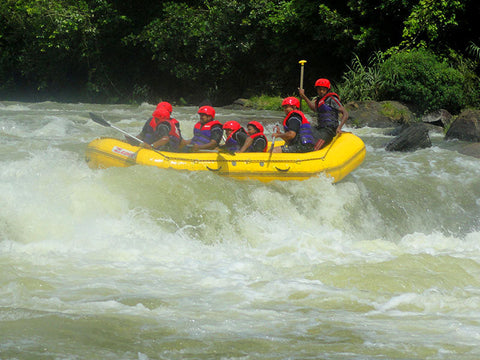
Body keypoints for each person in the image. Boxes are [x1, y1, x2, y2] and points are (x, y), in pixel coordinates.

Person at [299, 78, 348, 149]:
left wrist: (339, 128)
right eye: (319, 89)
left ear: (327, 90)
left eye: (323, 89)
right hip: (321, 128)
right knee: (305, 129)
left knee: (317, 145)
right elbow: (314, 109)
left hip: (330, 130)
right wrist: (303, 96)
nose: (321, 91)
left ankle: (314, 151)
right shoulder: (319, 101)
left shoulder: (332, 99)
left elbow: (345, 113)